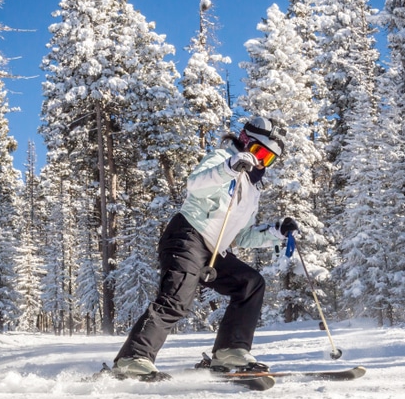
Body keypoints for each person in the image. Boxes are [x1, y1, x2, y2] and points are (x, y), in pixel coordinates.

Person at [113, 115, 298, 378]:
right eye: (258, 152)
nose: (259, 161)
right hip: (188, 235)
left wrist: (275, 232)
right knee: (177, 299)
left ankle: (230, 351)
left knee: (250, 283)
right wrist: (229, 168)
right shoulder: (223, 159)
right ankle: (133, 358)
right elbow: (195, 185)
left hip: (214, 250)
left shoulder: (252, 188)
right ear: (245, 140)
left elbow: (242, 236)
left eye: (268, 158)